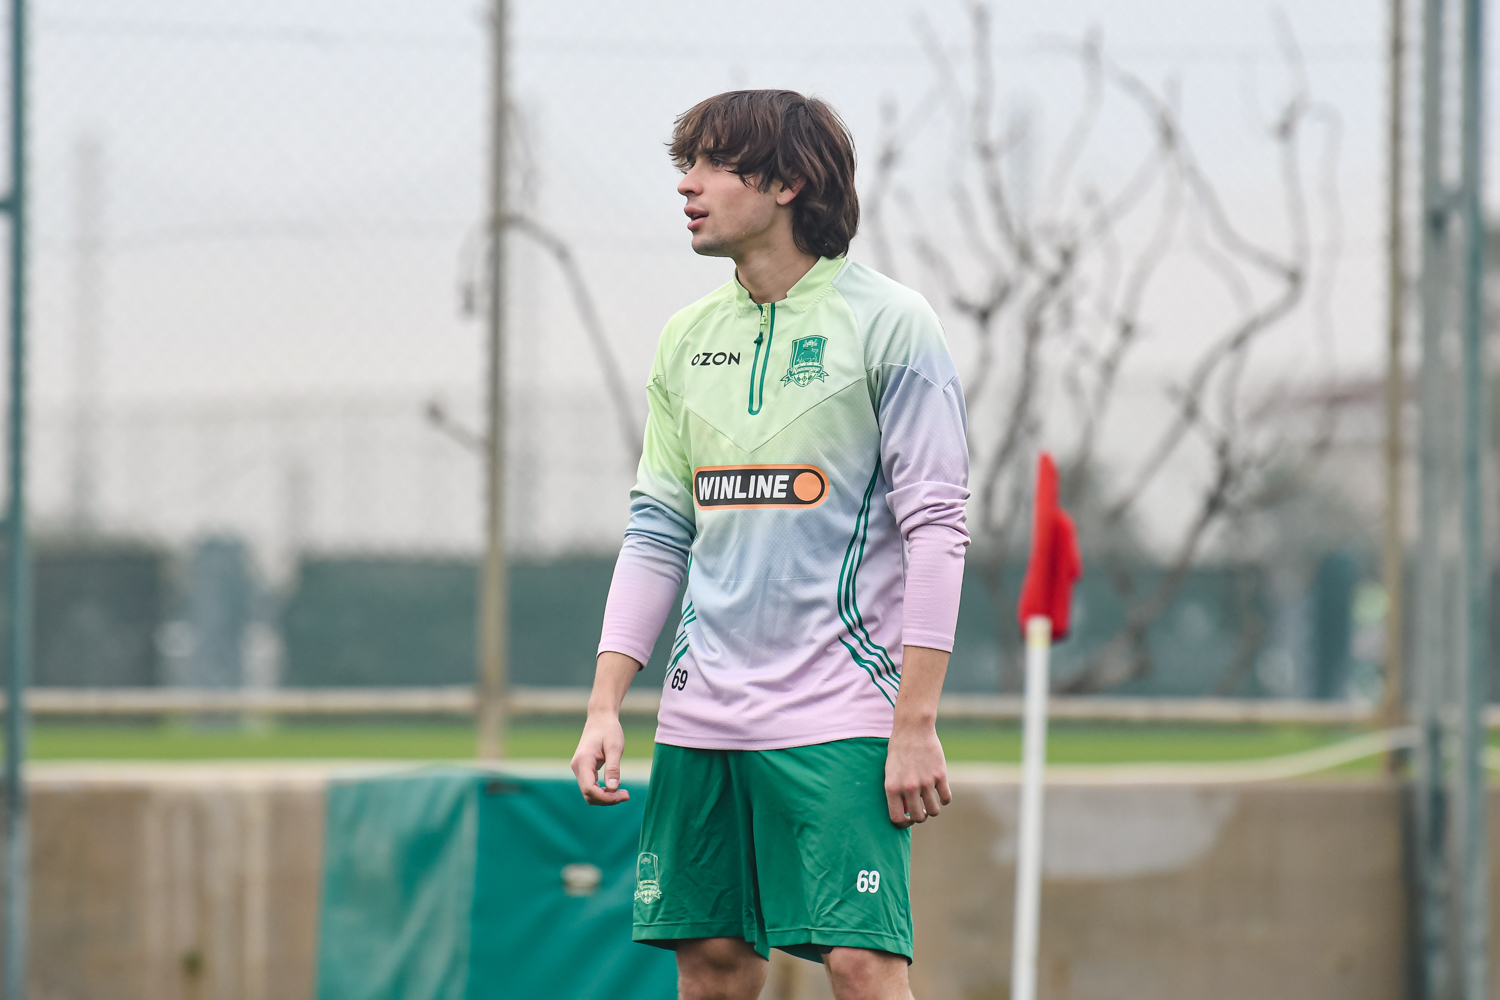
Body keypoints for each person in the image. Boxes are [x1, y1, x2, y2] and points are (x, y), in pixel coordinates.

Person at [570, 89, 969, 1000]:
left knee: (863, 964)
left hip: (841, 712)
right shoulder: (685, 339)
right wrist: (605, 706)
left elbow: (938, 530)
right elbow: (658, 529)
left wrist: (915, 722)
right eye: (686, 164)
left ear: (787, 182)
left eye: (714, 164)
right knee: (710, 962)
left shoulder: (892, 324)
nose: (688, 185)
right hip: (701, 715)